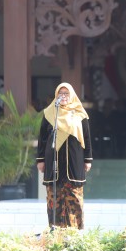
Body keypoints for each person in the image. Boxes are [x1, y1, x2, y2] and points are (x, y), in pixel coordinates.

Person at [36, 83, 93, 229]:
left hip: (74, 161)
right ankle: (55, 230)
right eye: (61, 93)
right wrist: (41, 159)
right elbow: (42, 138)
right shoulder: (50, 113)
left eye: (66, 93)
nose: (63, 96)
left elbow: (87, 138)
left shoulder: (80, 114)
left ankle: (75, 232)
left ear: (72, 95)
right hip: (53, 161)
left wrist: (87, 159)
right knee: (54, 197)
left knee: (74, 197)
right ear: (56, 95)